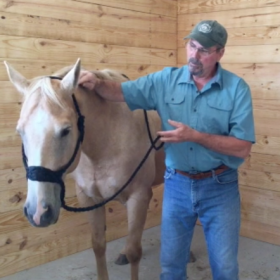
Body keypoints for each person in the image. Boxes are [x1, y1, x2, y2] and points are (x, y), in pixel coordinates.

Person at [78, 20, 255, 280]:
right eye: (192, 45)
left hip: (220, 186)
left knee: (225, 267)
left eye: (204, 50)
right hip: (177, 185)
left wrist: (195, 136)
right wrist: (97, 83)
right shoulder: (164, 80)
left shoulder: (237, 89)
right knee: (171, 266)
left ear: (220, 53)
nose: (194, 55)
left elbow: (242, 148)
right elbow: (121, 92)